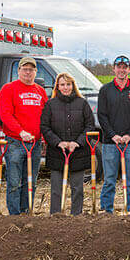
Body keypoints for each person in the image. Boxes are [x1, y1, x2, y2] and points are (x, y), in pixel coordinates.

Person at [40, 72, 96, 215]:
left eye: (68, 84)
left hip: (78, 152)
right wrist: (58, 142)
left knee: (77, 188)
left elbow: (89, 126)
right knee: (57, 188)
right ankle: (56, 215)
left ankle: (76, 216)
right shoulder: (50, 104)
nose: (65, 87)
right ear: (57, 87)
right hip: (57, 152)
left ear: (73, 85)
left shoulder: (82, 103)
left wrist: (78, 142)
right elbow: (45, 127)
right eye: (62, 84)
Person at [0, 57, 49, 214]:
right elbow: (5, 115)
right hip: (15, 142)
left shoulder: (40, 91)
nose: (28, 72)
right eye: (25, 69)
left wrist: (45, 140)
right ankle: (14, 215)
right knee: (14, 182)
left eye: (31, 69)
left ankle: (26, 212)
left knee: (31, 182)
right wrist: (21, 132)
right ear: (18, 71)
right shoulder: (8, 89)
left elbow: (46, 117)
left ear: (36, 72)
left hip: (34, 144)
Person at [97, 55, 130, 213]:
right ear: (114, 69)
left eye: (125, 67)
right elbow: (102, 116)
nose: (122, 70)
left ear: (129, 69)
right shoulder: (105, 90)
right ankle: (106, 210)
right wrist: (113, 135)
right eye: (119, 67)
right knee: (109, 180)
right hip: (111, 143)